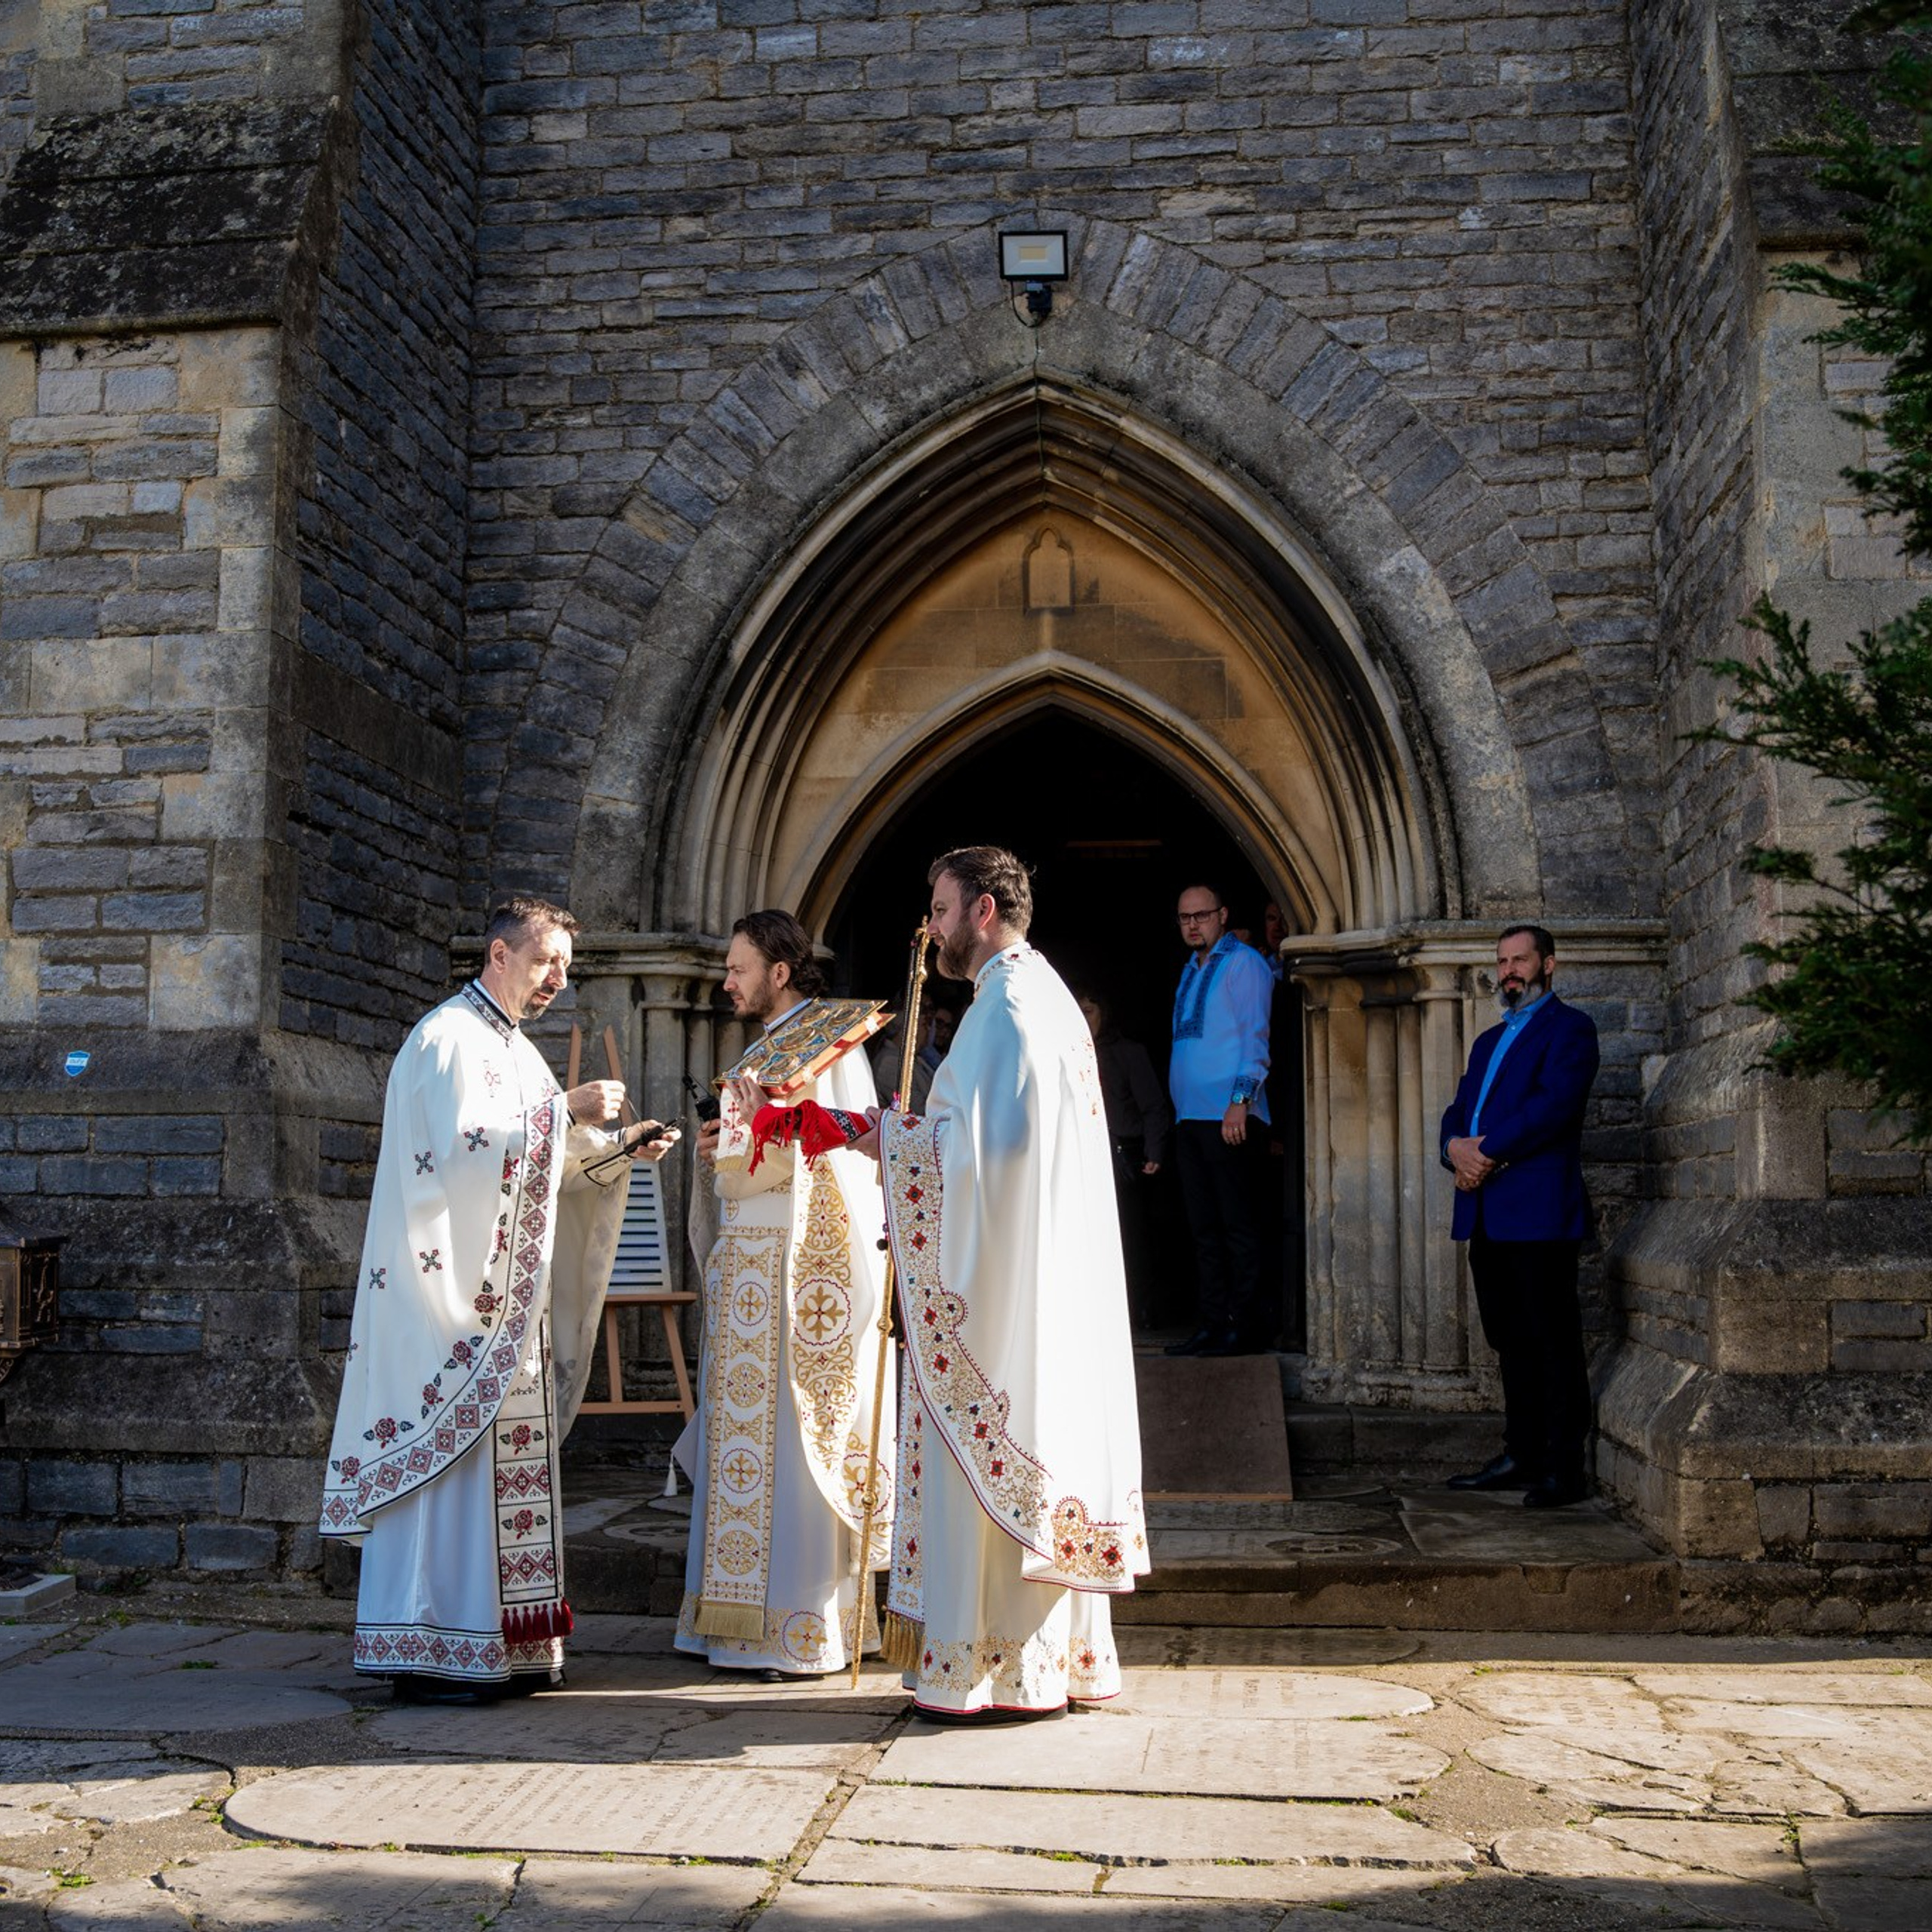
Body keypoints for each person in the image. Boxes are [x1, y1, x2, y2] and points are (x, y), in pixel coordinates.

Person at [320, 897, 677, 1700]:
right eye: (547, 961)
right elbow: (461, 1155)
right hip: (447, 1306)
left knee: (498, 1475)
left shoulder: (517, 1051)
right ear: (499, 953)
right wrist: (565, 1111)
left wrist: (620, 1149)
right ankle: (434, 1649)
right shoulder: (446, 1038)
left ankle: (507, 1646)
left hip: (509, 1309)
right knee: (452, 1477)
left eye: (566, 968)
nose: (557, 980)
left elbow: (545, 1167)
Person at [872, 846, 1148, 1720]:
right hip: (1042, 1273)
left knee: (989, 1452)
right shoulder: (1044, 995)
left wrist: (892, 1143)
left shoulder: (1005, 1008)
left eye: (940, 908)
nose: (932, 927)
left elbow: (989, 1158)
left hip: (1002, 1289)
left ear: (982, 909)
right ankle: (1049, 1665)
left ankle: (984, 1668)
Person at [677, 910, 894, 1679]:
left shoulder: (826, 1044)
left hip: (796, 1282)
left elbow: (842, 1158)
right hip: (747, 1279)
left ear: (778, 971)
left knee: (796, 1456)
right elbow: (748, 1156)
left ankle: (798, 1630)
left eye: (737, 969)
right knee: (744, 1458)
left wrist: (748, 1149)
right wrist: (717, 1147)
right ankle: (732, 1624)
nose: (726, 983)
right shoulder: (762, 1049)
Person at [1439, 924, 1601, 1509]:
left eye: (1520, 960)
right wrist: (1453, 1147)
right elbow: (1458, 1109)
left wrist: (1482, 1152)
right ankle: (1522, 1453)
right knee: (1509, 1338)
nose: (1509, 970)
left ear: (1548, 964)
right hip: (1486, 1212)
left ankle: (1563, 1468)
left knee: (1551, 1339)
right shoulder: (1488, 1041)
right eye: (1503, 961)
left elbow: (1552, 1109)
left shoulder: (1570, 1029)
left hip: (1538, 1212)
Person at [1165, 882, 1274, 1355]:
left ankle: (1245, 1327)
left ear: (1223, 915)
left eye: (1202, 916)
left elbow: (1255, 1038)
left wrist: (1240, 1101)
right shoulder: (1191, 968)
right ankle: (1212, 1323)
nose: (1193, 925)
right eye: (1185, 918)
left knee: (1238, 1227)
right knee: (1204, 1230)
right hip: (1190, 1119)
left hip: (1230, 1117)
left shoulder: (1245, 963)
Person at [1075, 988, 1173, 1327]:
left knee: (1129, 1237)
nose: (1083, 1019)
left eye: (1089, 1011)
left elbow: (1153, 1106)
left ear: (1104, 1013)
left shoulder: (1128, 1053)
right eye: (1078, 1012)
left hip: (1124, 1159)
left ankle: (1137, 1312)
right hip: (1080, 1157)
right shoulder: (1068, 1052)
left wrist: (1154, 1150)